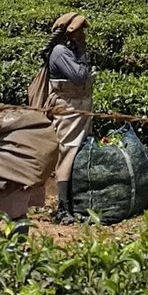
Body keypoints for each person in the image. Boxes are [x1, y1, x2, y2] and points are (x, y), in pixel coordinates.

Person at [30, 12, 96, 214]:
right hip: (68, 108)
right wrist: (84, 55)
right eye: (79, 32)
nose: (82, 36)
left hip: (80, 106)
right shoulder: (60, 52)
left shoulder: (71, 51)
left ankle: (75, 199)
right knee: (68, 151)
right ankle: (63, 207)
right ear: (69, 34)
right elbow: (79, 76)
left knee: (78, 149)